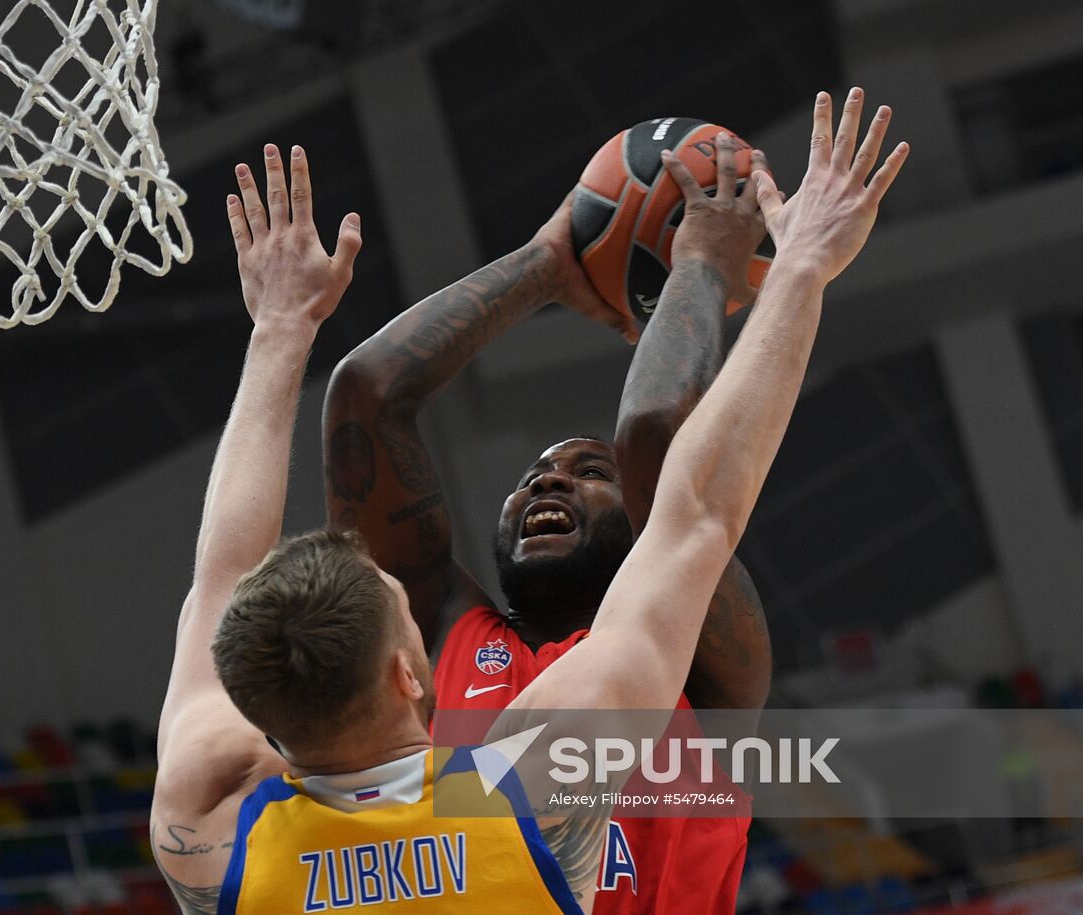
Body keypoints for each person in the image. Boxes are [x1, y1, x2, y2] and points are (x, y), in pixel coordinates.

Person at [153, 93, 907, 914]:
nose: (546, 481)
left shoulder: (216, 823)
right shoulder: (532, 777)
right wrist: (775, 268)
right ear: (411, 672)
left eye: (586, 472)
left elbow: (224, 576)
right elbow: (685, 494)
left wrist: (283, 328)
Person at [323, 122, 778, 911]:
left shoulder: (706, 664)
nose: (547, 484)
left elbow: (654, 439)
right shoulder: (439, 633)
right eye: (532, 477)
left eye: (586, 473)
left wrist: (701, 262)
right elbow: (366, 395)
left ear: (646, 522)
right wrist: (547, 264)